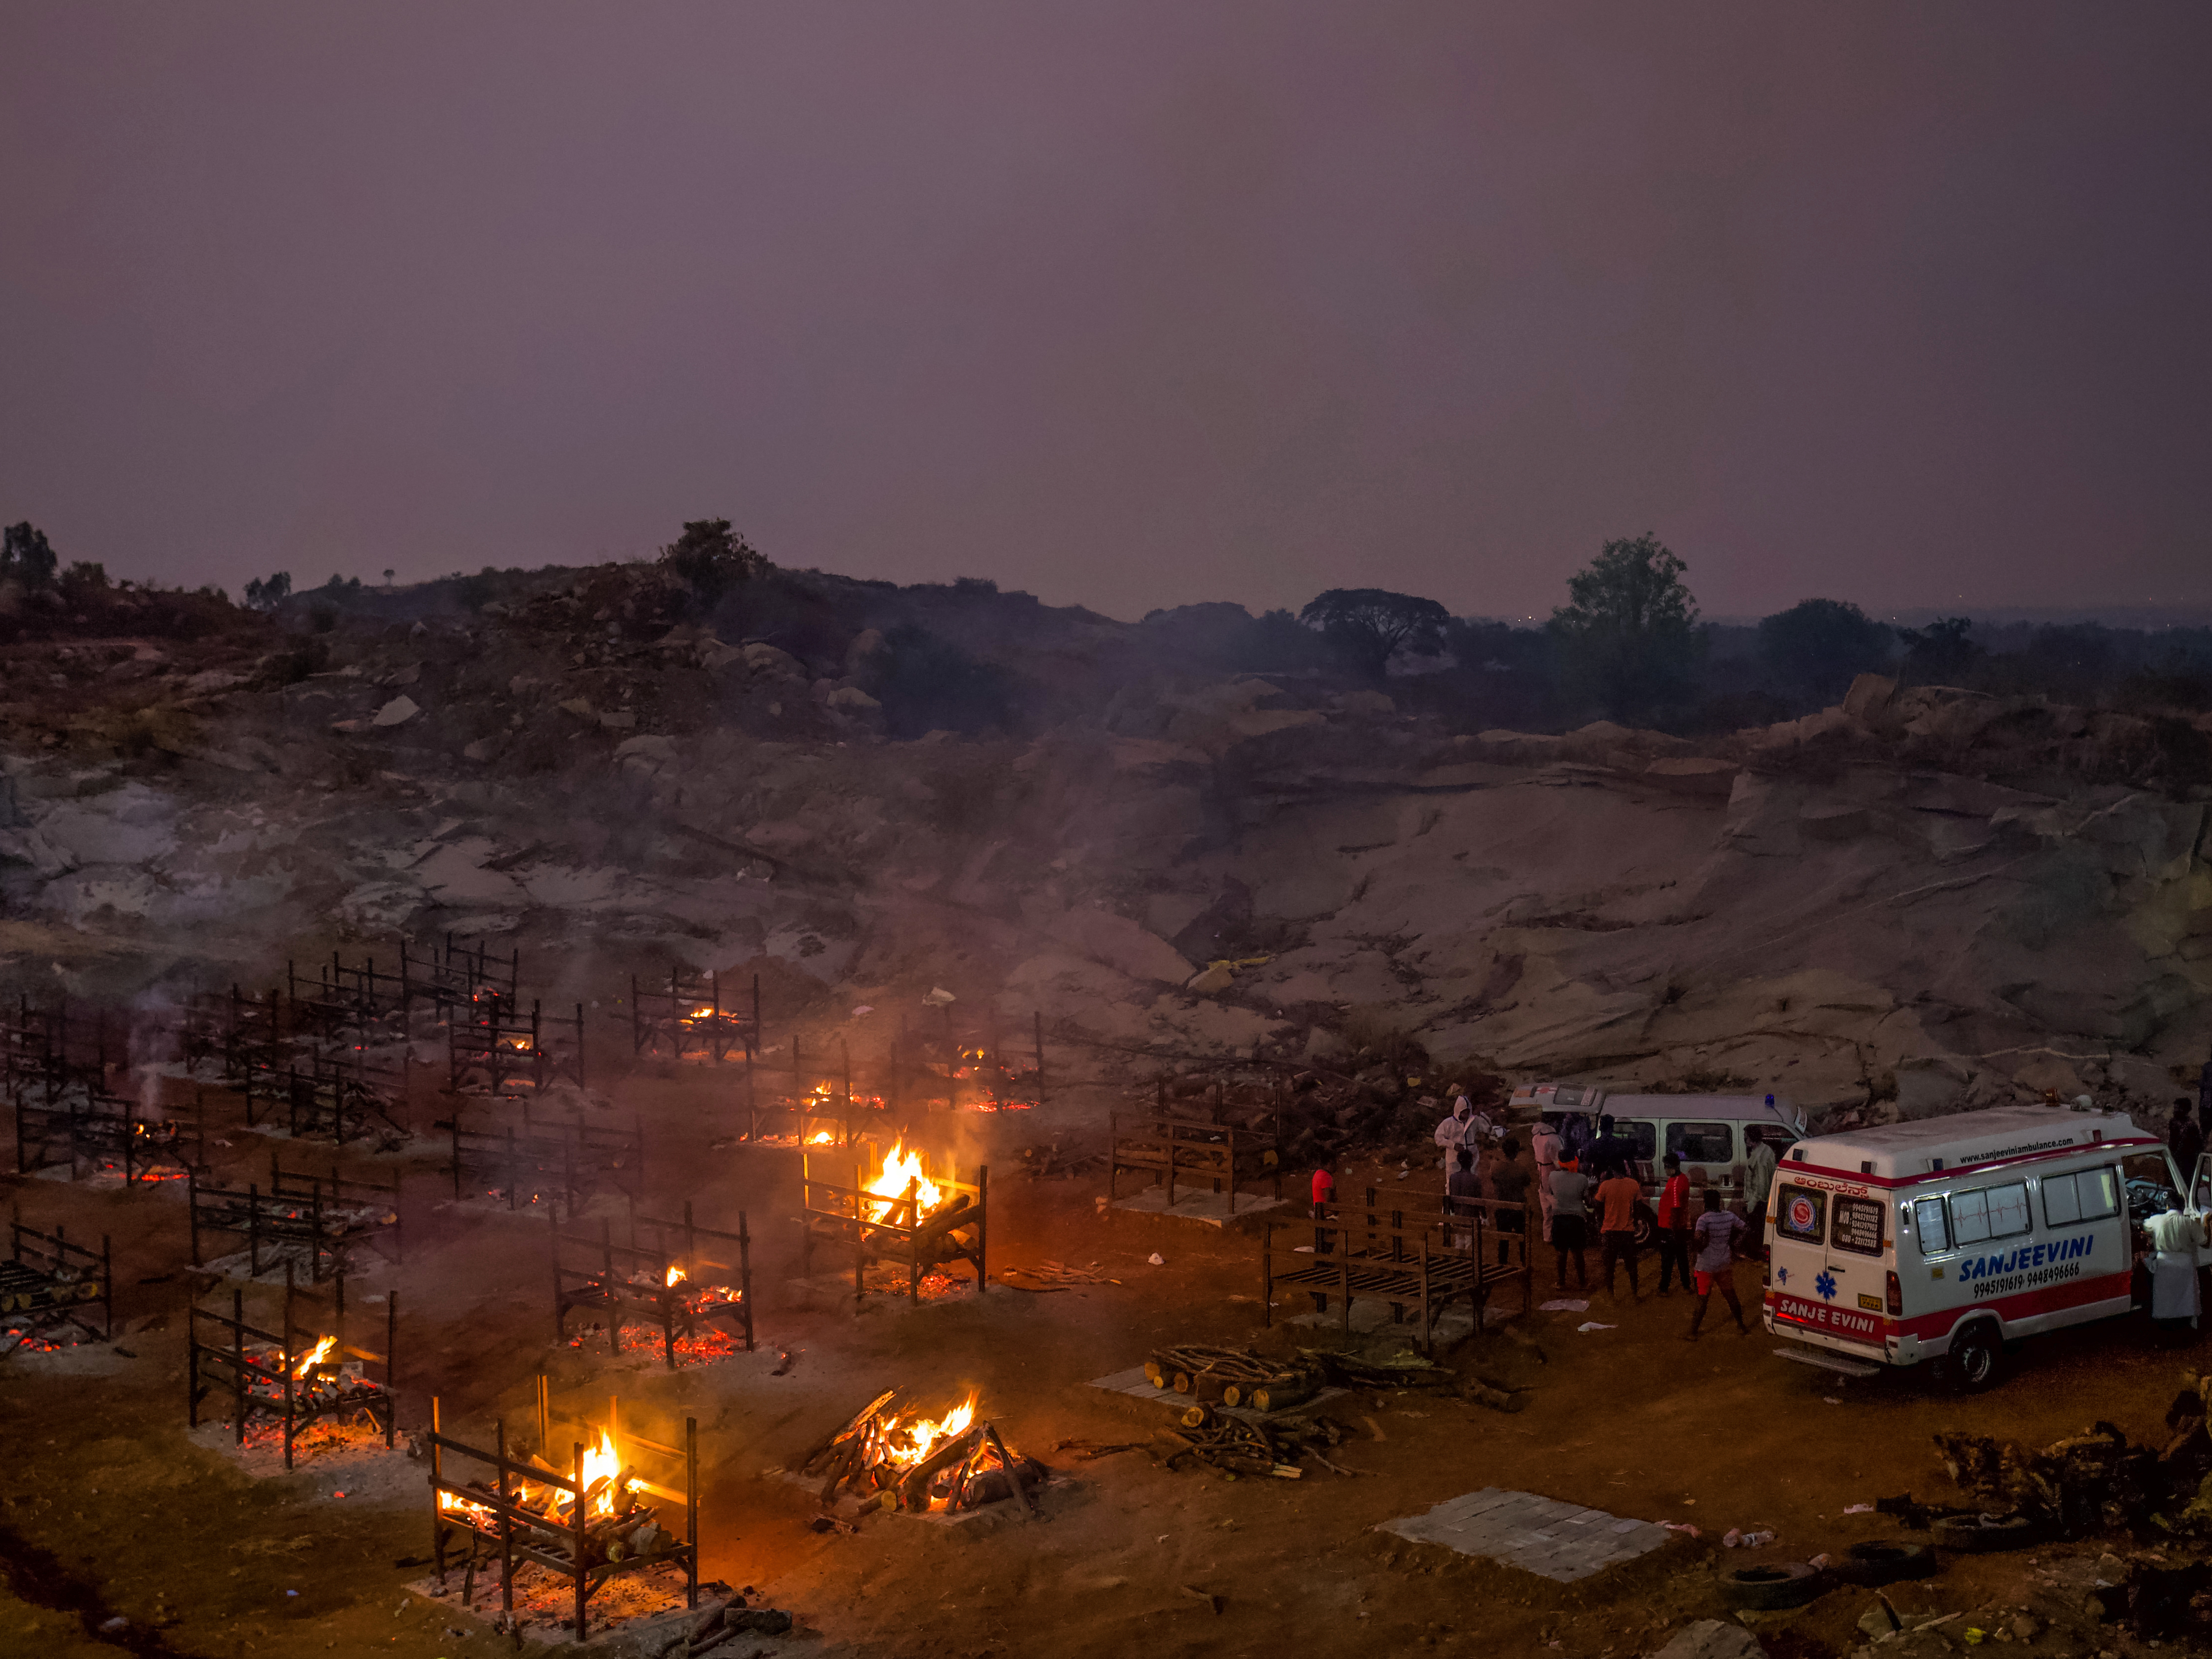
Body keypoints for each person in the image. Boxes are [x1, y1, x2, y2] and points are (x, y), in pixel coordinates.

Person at [1687, 1189, 1750, 1338]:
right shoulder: (1729, 1216)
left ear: (1705, 1204)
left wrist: (1696, 1248)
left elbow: (1697, 1240)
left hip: (1706, 1265)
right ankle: (1741, 1326)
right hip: (1724, 1262)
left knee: (1702, 1298)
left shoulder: (1704, 1219)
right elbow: (1746, 1229)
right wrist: (1735, 1243)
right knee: (1730, 1295)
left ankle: (1693, 1332)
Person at [2147, 1202, 2206, 1338]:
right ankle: (2186, 1329)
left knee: (2165, 1299)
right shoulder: (2188, 1223)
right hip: (2185, 1263)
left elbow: (2144, 1225)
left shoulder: (2157, 1220)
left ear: (2167, 1207)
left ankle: (2166, 1330)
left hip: (2165, 1262)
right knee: (2186, 1298)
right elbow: (2203, 1240)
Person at [1596, 1162, 1643, 1300]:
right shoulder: (1634, 1184)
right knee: (1632, 1265)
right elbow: (1639, 1205)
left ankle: (1611, 1295)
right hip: (1627, 1231)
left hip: (1610, 1231)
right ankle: (1634, 1294)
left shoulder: (1605, 1185)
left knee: (1609, 1266)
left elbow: (1597, 1204)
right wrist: (1634, 1220)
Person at [1654, 1153, 1693, 1295]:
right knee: (1682, 1257)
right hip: (1679, 1226)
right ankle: (1686, 1285)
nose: (1665, 1170)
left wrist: (1672, 1229)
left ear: (1673, 1167)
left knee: (1667, 1260)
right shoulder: (1682, 1179)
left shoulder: (1676, 1183)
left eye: (1667, 1167)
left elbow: (1676, 1207)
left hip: (1670, 1226)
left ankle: (1664, 1288)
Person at [1490, 1135, 1532, 1267]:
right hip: (1518, 1206)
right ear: (1516, 1152)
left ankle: (1502, 1264)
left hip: (1502, 1205)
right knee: (1522, 1238)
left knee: (1503, 1238)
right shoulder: (1521, 1169)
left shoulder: (1496, 1167)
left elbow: (1494, 1180)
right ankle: (1524, 1263)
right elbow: (1527, 1182)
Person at [1549, 1155, 1590, 1290]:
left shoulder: (1552, 1177)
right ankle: (1583, 1282)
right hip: (1576, 1218)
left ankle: (1561, 1282)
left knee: (1561, 1252)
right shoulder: (1582, 1179)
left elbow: (1552, 1193)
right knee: (1578, 1252)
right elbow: (1586, 1199)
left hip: (1559, 1217)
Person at [1742, 1126, 1778, 1255]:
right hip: (1763, 1200)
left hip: (1759, 1202)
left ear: (1751, 1139)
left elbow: (1761, 1185)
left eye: (1746, 1137)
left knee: (1755, 1231)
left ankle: (1755, 1255)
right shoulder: (1767, 1150)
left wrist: (1751, 1205)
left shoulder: (1759, 1158)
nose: (1745, 1140)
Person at [1531, 1117, 1563, 1243]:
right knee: (1555, 1202)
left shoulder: (1536, 1138)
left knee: (1545, 1205)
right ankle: (1557, 1234)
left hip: (1542, 1172)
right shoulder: (1554, 1138)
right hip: (1552, 1172)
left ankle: (1547, 1236)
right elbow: (1559, 1160)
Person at [1447, 1146, 1483, 1250]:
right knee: (1471, 1244)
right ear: (1471, 1162)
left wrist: (1453, 1213)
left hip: (1458, 1214)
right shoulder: (1475, 1179)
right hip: (1471, 1216)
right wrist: (1485, 1217)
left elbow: (1452, 1197)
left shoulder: (1453, 1178)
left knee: (1459, 1242)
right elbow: (1479, 1200)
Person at [1434, 1097, 1483, 1172]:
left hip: (1471, 1156)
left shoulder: (1474, 1121)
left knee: (1472, 1177)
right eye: (1464, 1112)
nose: (1466, 1114)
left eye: (1468, 1112)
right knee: (1454, 1179)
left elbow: (1486, 1129)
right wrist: (1453, 1145)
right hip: (1454, 1157)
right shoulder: (1448, 1123)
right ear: (1458, 1111)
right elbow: (1438, 1138)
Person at [2171, 1098, 2205, 1189]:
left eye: (2179, 1109)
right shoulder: (2174, 1122)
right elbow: (2172, 1140)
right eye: (2175, 1108)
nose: (2176, 1111)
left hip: (2188, 1159)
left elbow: (2196, 1145)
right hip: (2176, 1157)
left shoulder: (2190, 1126)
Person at [1311, 1159, 1336, 1255]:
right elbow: (1328, 1197)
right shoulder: (1327, 1177)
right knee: (1329, 1240)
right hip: (1327, 1214)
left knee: (1321, 1240)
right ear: (1330, 1164)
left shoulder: (1317, 1174)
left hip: (1318, 1212)